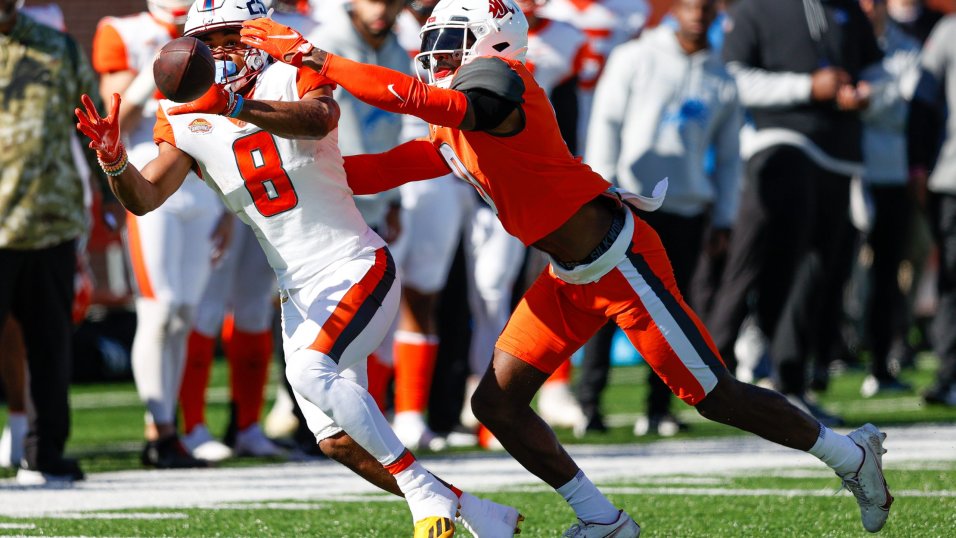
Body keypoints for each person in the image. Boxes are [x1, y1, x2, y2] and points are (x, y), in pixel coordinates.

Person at [240, 0, 895, 534]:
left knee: (713, 395)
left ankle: (849, 452)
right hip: (569, 277)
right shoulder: (453, 114)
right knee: (496, 402)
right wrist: (261, 164)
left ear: (493, 41)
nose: (435, 47)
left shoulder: (507, 84)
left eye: (452, 36)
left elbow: (423, 102)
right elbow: (377, 169)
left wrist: (317, 57)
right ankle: (600, 518)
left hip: (619, 262)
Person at [76, 1, 520, 536]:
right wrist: (113, 160)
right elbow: (145, 198)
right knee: (334, 438)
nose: (221, 49)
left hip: (355, 264)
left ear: (260, 31)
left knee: (312, 373)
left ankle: (424, 493)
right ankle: (479, 514)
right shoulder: (182, 112)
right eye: (209, 39)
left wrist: (236, 104)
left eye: (231, 34)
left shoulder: (295, 68)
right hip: (297, 289)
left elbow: (318, 119)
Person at [705, 0, 883, 425]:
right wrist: (806, 88)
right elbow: (733, 79)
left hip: (841, 155)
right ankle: (743, 365)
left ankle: (790, 381)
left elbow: (876, 68)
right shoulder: (753, 10)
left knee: (821, 272)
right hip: (781, 143)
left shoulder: (845, 9)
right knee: (776, 263)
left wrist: (869, 93)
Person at [586, 0, 743, 436]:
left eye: (707, 7)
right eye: (691, 4)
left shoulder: (723, 78)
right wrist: (601, 191)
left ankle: (658, 409)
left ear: (717, 14)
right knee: (607, 304)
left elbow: (730, 158)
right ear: (676, 8)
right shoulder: (633, 57)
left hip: (689, 207)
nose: (699, 12)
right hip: (627, 202)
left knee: (672, 312)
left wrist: (725, 217)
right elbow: (605, 124)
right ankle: (589, 405)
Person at [92, 0, 231, 468]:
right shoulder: (125, 32)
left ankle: (173, 430)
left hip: (203, 183)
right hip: (149, 177)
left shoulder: (217, 29)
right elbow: (117, 117)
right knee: (160, 308)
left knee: (185, 313)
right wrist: (162, 67)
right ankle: (158, 429)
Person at [0, 0, 122, 485]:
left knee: (51, 343)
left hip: (51, 218)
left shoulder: (57, 47)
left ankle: (45, 450)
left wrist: (111, 192)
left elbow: (88, 122)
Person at [855, 0, 921, 398]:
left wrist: (868, 99)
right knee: (826, 274)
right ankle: (814, 362)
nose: (868, 8)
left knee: (886, 273)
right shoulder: (842, 41)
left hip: (892, 174)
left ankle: (882, 361)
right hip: (847, 170)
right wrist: (884, 97)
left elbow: (907, 109)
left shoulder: (908, 48)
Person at [911, 12, 956, 407]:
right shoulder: (948, 30)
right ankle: (949, 373)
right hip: (952, 174)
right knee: (952, 278)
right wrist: (918, 164)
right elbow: (923, 103)